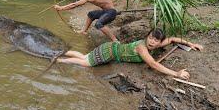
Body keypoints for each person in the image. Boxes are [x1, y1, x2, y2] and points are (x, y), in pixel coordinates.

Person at [57, 28, 203, 80]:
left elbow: (172, 39)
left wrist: (191, 44)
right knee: (86, 63)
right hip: (108, 52)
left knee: (84, 56)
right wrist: (176, 74)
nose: (152, 42)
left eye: (156, 40)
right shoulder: (141, 47)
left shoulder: (158, 42)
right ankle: (61, 61)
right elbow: (152, 64)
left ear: (160, 42)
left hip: (111, 47)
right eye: (150, 37)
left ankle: (63, 52)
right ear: (147, 36)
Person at [54, 0, 119, 42]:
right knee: (91, 14)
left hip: (111, 12)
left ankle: (115, 40)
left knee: (98, 24)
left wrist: (60, 8)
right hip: (107, 11)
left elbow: (74, 5)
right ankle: (83, 31)